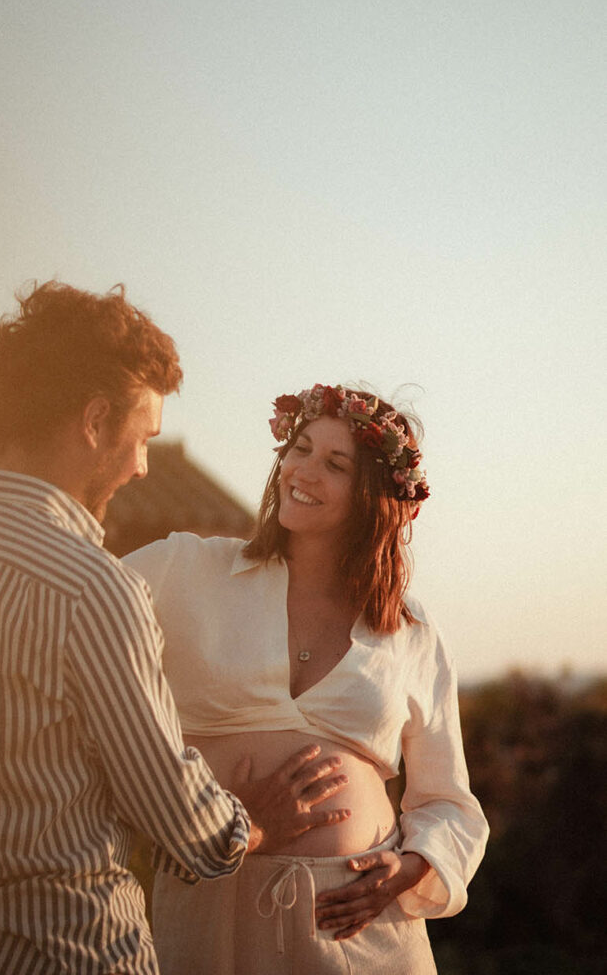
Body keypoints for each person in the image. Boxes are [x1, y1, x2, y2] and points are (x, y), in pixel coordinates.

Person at [0, 291, 351, 975]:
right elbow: (181, 825)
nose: (142, 467)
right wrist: (259, 821)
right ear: (95, 420)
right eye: (143, 437)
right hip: (70, 951)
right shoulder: (91, 587)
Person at [125, 383, 489, 974]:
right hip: (211, 902)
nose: (304, 470)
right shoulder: (186, 568)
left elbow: (448, 803)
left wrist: (409, 869)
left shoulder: (411, 628)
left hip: (359, 928)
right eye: (299, 448)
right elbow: (67, 608)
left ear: (374, 495)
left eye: (335, 463)